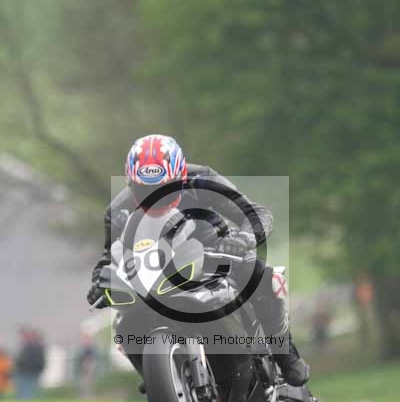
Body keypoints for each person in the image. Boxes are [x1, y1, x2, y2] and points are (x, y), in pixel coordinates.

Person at [87, 134, 309, 386]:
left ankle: (285, 354)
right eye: (144, 190)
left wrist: (245, 238)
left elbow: (256, 213)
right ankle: (156, 376)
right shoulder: (118, 210)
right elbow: (108, 255)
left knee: (260, 274)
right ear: (131, 183)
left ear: (180, 177)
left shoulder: (204, 180)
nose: (155, 197)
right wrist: (99, 281)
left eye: (164, 189)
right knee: (124, 320)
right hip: (156, 269)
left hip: (214, 250)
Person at [14, 328, 46, 399]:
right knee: (22, 389)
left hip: (31, 372)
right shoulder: (25, 346)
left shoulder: (37, 347)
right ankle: (23, 401)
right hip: (23, 372)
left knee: (28, 390)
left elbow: (40, 361)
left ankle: (25, 401)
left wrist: (39, 370)